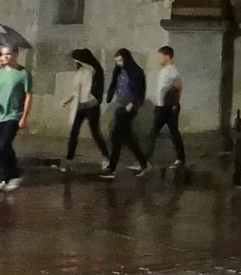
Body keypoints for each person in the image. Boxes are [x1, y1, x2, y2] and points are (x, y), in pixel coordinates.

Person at [0, 45, 33, 192]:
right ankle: (6, 179)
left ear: (16, 55)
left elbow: (29, 96)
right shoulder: (0, 72)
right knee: (2, 147)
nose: (5, 57)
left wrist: (24, 116)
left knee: (3, 144)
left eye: (8, 54)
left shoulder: (23, 73)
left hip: (13, 114)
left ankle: (15, 175)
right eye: (3, 54)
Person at [99, 48, 149, 180]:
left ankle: (112, 168)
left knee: (116, 137)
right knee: (127, 138)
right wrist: (109, 96)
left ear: (126, 59)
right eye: (117, 61)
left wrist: (132, 104)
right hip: (120, 107)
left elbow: (139, 92)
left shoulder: (137, 73)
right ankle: (143, 163)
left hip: (129, 109)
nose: (119, 63)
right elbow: (114, 84)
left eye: (121, 60)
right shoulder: (119, 71)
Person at [59, 48, 108, 172]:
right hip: (80, 106)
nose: (76, 62)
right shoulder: (80, 71)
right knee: (74, 132)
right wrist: (68, 100)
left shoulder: (94, 71)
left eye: (77, 59)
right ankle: (69, 159)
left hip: (91, 106)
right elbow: (75, 89)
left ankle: (107, 158)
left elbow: (97, 89)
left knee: (95, 133)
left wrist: (96, 101)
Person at [146, 45, 186, 169]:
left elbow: (178, 87)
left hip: (169, 108)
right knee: (156, 132)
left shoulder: (172, 71)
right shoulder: (164, 70)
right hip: (161, 107)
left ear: (167, 56)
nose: (158, 59)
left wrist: (174, 105)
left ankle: (180, 159)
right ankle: (146, 160)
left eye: (160, 56)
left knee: (172, 133)